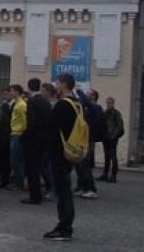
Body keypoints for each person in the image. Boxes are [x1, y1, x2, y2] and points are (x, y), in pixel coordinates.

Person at [44, 73, 79, 241]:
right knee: (66, 190)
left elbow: (51, 127)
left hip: (59, 152)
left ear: (64, 84)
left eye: (57, 83)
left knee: (63, 192)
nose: (56, 86)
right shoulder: (76, 104)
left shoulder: (62, 105)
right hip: (70, 151)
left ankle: (64, 228)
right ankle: (66, 225)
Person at [22, 78, 52, 205]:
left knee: (32, 169)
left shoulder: (32, 102)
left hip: (33, 140)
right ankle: (38, 193)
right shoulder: (45, 102)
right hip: (44, 139)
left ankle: (34, 195)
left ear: (28, 87)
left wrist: (26, 138)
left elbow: (31, 122)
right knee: (39, 167)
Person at [74, 87, 102, 199]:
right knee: (79, 165)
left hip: (88, 139)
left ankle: (91, 189)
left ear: (93, 96)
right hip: (82, 138)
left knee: (85, 165)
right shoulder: (87, 107)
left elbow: (85, 102)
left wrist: (79, 91)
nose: (86, 95)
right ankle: (81, 187)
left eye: (88, 94)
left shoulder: (95, 107)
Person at [99, 97, 124, 183]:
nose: (109, 104)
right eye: (108, 103)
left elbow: (119, 126)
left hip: (112, 138)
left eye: (110, 103)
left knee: (113, 156)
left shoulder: (116, 113)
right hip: (106, 137)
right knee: (107, 156)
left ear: (113, 103)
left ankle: (113, 175)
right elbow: (102, 124)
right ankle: (105, 174)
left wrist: (114, 136)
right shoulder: (105, 113)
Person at [7, 84, 27, 191]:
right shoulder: (16, 103)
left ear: (17, 92)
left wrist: (22, 132)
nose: (10, 93)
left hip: (17, 134)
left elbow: (24, 120)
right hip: (14, 133)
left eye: (12, 91)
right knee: (14, 160)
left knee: (16, 160)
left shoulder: (21, 105)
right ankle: (17, 182)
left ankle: (19, 184)